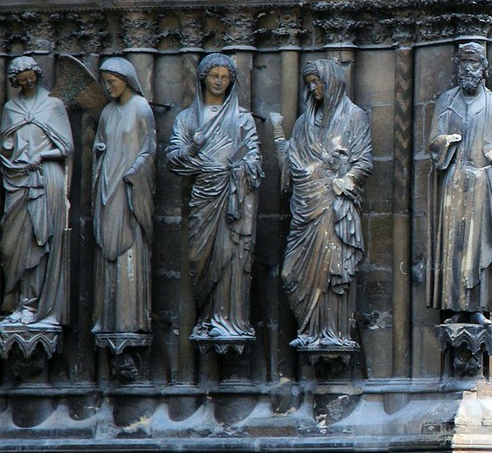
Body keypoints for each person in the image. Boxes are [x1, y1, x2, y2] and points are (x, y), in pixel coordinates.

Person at [273, 59, 372, 350]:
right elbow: (290, 168)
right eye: (309, 84)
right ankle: (310, 329)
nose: (313, 88)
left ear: (332, 81)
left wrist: (349, 178)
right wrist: (279, 136)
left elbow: (364, 160)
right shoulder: (303, 123)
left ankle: (333, 333)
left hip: (336, 208)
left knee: (332, 271)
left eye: (317, 81)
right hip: (306, 207)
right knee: (290, 273)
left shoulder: (355, 117)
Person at [167, 53, 262, 341]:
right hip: (203, 200)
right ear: (203, 78)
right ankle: (208, 318)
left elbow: (255, 159)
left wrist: (240, 168)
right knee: (199, 257)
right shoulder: (187, 118)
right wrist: (193, 151)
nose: (219, 82)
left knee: (233, 257)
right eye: (214, 76)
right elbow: (172, 160)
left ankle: (230, 320)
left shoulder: (242, 118)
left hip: (234, 198)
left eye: (225, 77)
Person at [426, 43, 492, 324]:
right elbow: (433, 141)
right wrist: (445, 141)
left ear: (483, 70)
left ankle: (478, 307)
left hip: (482, 183)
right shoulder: (446, 100)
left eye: (473, 65)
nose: (468, 70)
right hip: (453, 184)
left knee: (479, 248)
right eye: (463, 65)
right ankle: (454, 306)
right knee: (455, 247)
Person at [0, 56, 71, 326]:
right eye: (22, 77)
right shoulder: (10, 107)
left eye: (31, 75)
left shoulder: (53, 104)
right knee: (11, 245)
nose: (27, 80)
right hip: (17, 179)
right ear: (14, 80)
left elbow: (67, 148)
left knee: (38, 242)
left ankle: (32, 305)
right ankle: (16, 302)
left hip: (45, 179)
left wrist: (42, 156)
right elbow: (5, 144)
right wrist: (9, 150)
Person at [93, 58, 155, 339]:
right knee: (107, 251)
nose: (108, 88)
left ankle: (129, 319)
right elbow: (99, 147)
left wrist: (135, 173)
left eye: (112, 82)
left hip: (130, 189)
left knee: (131, 245)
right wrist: (100, 150)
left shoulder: (141, 108)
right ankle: (107, 318)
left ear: (126, 79)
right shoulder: (106, 112)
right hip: (108, 188)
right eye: (105, 83)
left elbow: (149, 150)